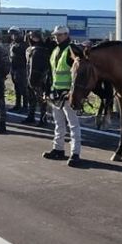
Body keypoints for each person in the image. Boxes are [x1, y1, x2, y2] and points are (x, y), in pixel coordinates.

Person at [42, 25, 83, 167]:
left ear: (66, 35)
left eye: (59, 35)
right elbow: (51, 73)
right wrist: (47, 91)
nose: (56, 37)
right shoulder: (56, 50)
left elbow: (78, 74)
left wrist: (73, 93)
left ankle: (75, 153)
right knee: (58, 124)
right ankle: (58, 149)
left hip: (67, 94)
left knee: (73, 124)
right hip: (56, 93)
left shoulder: (71, 50)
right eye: (55, 35)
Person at [8, 26, 28, 112]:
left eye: (15, 34)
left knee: (23, 88)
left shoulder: (24, 44)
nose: (13, 36)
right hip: (14, 68)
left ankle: (25, 106)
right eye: (12, 35)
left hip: (22, 69)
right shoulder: (12, 44)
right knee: (16, 88)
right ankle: (17, 104)